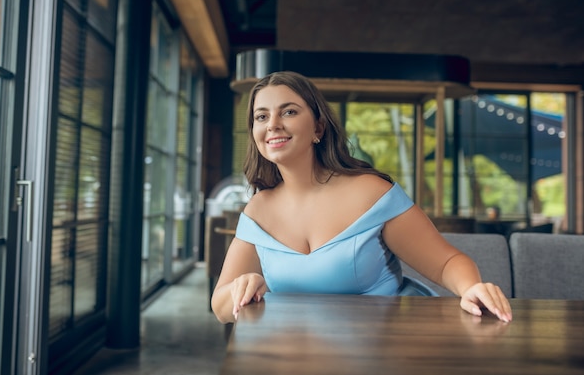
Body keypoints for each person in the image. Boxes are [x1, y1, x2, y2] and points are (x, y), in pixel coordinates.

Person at [211, 71, 512, 324]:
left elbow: (446, 262)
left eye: (288, 111)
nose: (272, 124)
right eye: (261, 116)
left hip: (381, 353)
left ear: (318, 127)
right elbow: (220, 306)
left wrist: (471, 287)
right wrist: (243, 288)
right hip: (294, 358)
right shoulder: (257, 210)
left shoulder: (371, 193)